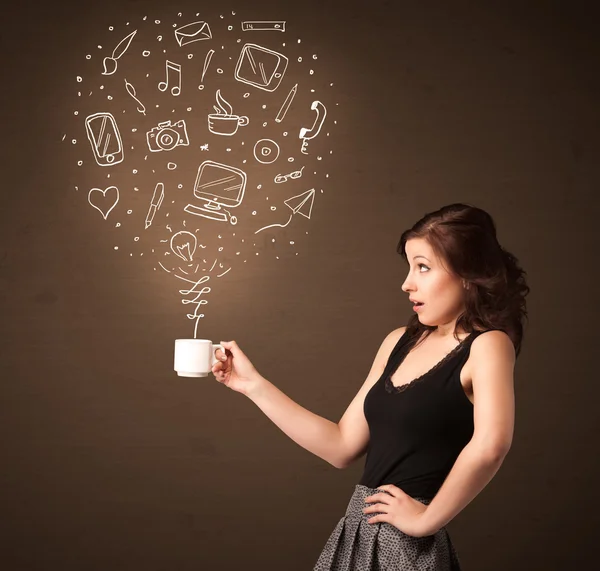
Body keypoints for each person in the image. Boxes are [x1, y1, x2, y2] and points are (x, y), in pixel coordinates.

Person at [211, 203, 530, 570]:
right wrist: (251, 384)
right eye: (409, 267)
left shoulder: (487, 345)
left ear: (467, 274)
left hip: (408, 547)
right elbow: (340, 445)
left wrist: (427, 520)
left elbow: (492, 445)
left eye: (423, 267)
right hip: (357, 533)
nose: (407, 283)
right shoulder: (399, 341)